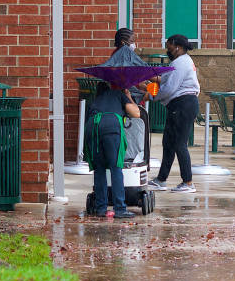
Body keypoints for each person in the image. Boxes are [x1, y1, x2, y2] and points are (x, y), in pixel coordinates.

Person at [148, 34, 200, 193]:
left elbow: (169, 88)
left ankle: (188, 182)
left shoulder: (180, 63)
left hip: (182, 105)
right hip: (180, 104)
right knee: (168, 143)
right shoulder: (182, 61)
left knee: (179, 144)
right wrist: (150, 81)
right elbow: (165, 80)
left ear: (177, 46)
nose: (167, 49)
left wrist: (150, 95)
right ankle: (161, 179)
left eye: (169, 46)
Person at [84, 81, 140, 218]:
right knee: (116, 168)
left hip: (93, 126)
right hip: (111, 126)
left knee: (99, 168)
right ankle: (120, 209)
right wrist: (128, 95)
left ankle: (101, 208)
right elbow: (136, 113)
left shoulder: (95, 100)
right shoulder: (118, 94)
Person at [102, 28, 147, 104]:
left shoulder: (118, 53)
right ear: (123, 42)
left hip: (123, 93)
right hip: (126, 95)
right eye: (132, 41)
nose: (134, 45)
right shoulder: (123, 55)